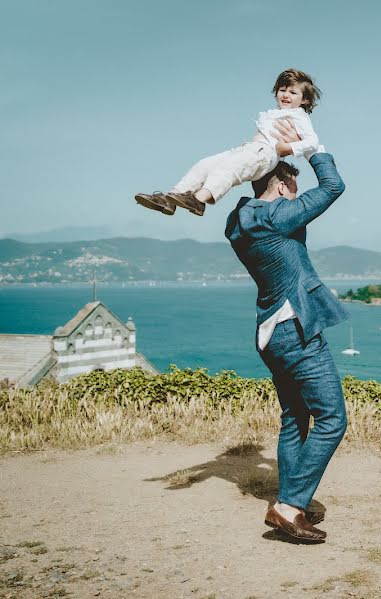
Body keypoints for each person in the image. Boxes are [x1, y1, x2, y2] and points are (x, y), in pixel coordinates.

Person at [224, 138, 346, 543]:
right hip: (295, 328)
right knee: (331, 419)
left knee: (295, 418)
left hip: (268, 331)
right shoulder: (278, 215)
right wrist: (314, 147)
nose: (296, 198)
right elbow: (332, 187)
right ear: (280, 188)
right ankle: (290, 505)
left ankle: (288, 501)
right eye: (292, 189)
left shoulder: (240, 219)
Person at [136, 69, 320, 216]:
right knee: (205, 165)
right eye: (282, 90)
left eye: (293, 92)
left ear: (304, 100)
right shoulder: (276, 112)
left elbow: (312, 142)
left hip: (265, 153)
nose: (286, 94)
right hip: (248, 149)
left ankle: (199, 200)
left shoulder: (299, 116)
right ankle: (172, 198)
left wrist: (288, 148)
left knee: (228, 170)